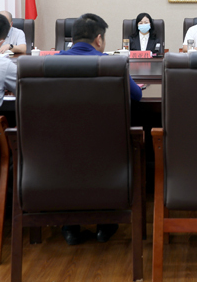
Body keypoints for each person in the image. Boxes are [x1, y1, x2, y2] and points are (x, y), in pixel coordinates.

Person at [56, 13, 143, 245]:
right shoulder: (111, 63)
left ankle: (70, 227)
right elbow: (137, 95)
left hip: (60, 148)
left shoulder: (51, 62)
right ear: (98, 39)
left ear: (72, 39)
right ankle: (105, 224)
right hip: (106, 146)